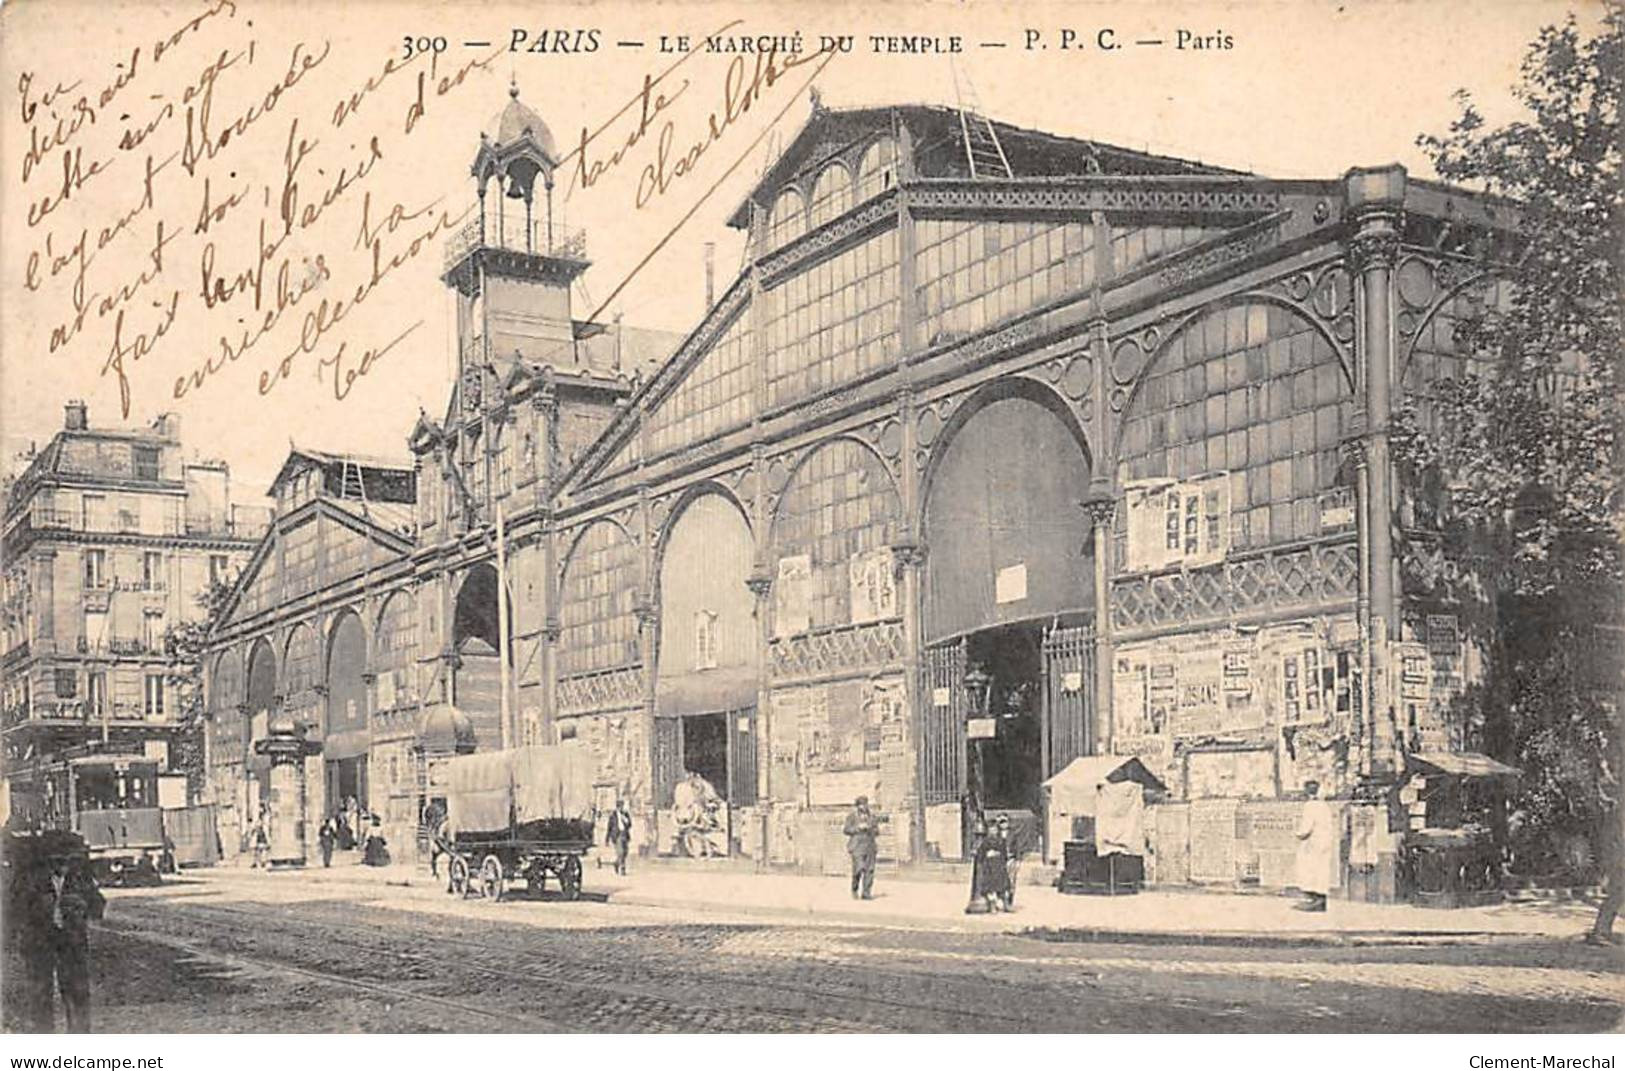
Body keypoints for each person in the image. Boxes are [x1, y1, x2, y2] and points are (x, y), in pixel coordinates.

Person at [21, 845, 105, 1032]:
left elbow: (98, 905)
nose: (61, 867)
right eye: (56, 862)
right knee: (40, 991)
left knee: (77, 990)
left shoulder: (80, 880)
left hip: (72, 942)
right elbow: (16, 909)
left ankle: (79, 1035)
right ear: (47, 863)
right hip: (40, 941)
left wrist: (81, 905)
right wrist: (39, 909)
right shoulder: (32, 880)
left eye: (65, 861)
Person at [1294, 780, 1335, 912]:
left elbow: (1305, 828)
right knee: (1322, 870)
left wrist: (1297, 833)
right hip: (1325, 842)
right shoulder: (1324, 806)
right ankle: (1321, 900)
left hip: (1313, 843)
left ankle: (1313, 899)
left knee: (1310, 869)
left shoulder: (1310, 806)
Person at [1585, 810, 1623, 947]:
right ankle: (1600, 932)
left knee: (1617, 895)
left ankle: (1602, 931)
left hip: (1617, 859)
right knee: (1617, 895)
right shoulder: (1618, 815)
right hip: (1619, 861)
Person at [968, 814, 1013, 913]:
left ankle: (1006, 904)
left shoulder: (1001, 841)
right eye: (991, 830)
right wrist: (985, 855)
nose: (993, 831)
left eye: (995, 829)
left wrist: (1002, 856)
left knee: (1004, 886)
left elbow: (1005, 853)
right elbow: (981, 854)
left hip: (999, 866)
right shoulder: (985, 842)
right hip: (989, 867)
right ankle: (992, 905)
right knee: (991, 888)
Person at [843, 796, 881, 900]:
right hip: (857, 846)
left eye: (865, 804)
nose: (863, 807)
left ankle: (866, 893)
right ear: (857, 806)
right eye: (861, 805)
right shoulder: (852, 816)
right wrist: (857, 828)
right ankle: (854, 889)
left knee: (869, 870)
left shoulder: (872, 816)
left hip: (870, 845)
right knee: (858, 869)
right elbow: (846, 829)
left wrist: (870, 829)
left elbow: (877, 831)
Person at [606, 798, 634, 876]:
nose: (621, 807)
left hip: (624, 834)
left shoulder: (625, 814)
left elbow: (630, 825)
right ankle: (622, 869)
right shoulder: (613, 815)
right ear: (617, 806)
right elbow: (609, 827)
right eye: (620, 806)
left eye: (622, 806)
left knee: (625, 852)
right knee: (620, 852)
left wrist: (625, 820)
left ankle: (616, 863)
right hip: (617, 835)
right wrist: (607, 839)